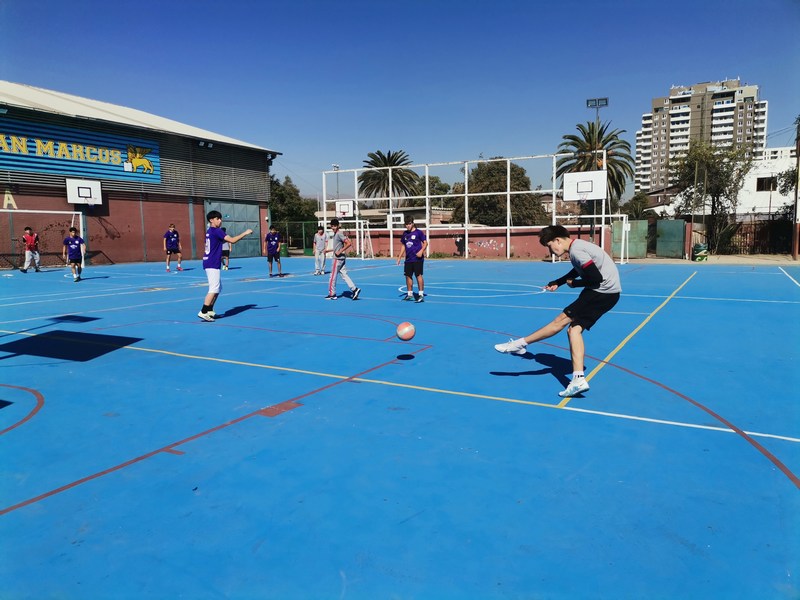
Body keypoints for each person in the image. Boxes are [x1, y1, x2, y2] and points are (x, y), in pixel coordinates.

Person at [494, 224, 621, 398]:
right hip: (610, 294)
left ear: (558, 240)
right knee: (574, 330)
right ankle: (578, 380)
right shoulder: (578, 247)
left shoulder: (577, 251)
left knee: (560, 321)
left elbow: (596, 279)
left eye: (549, 246)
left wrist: (574, 284)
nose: (550, 250)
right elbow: (578, 269)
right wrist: (559, 282)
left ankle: (519, 344)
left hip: (600, 292)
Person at [198, 210, 253, 322]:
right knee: (213, 288)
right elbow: (232, 240)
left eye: (220, 218)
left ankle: (209, 310)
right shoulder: (216, 231)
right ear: (211, 220)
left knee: (218, 288)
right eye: (218, 218)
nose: (220, 220)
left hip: (210, 261)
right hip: (212, 262)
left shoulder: (210, 231)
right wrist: (245, 233)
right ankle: (203, 311)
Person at [325, 218, 360, 300]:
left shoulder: (339, 234)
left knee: (332, 276)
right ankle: (355, 289)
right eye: (332, 226)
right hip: (341, 258)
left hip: (337, 259)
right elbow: (337, 247)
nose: (333, 227)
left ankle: (332, 294)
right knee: (344, 275)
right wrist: (329, 250)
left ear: (337, 226)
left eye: (334, 226)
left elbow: (349, 243)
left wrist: (340, 251)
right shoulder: (336, 234)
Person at [397, 216, 428, 302]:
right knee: (408, 276)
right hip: (408, 259)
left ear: (413, 223)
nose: (408, 226)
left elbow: (425, 243)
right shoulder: (405, 234)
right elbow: (403, 246)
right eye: (406, 224)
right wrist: (399, 257)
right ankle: (410, 294)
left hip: (417, 259)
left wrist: (421, 251)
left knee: (418, 275)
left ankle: (421, 294)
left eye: (409, 224)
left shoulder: (419, 233)